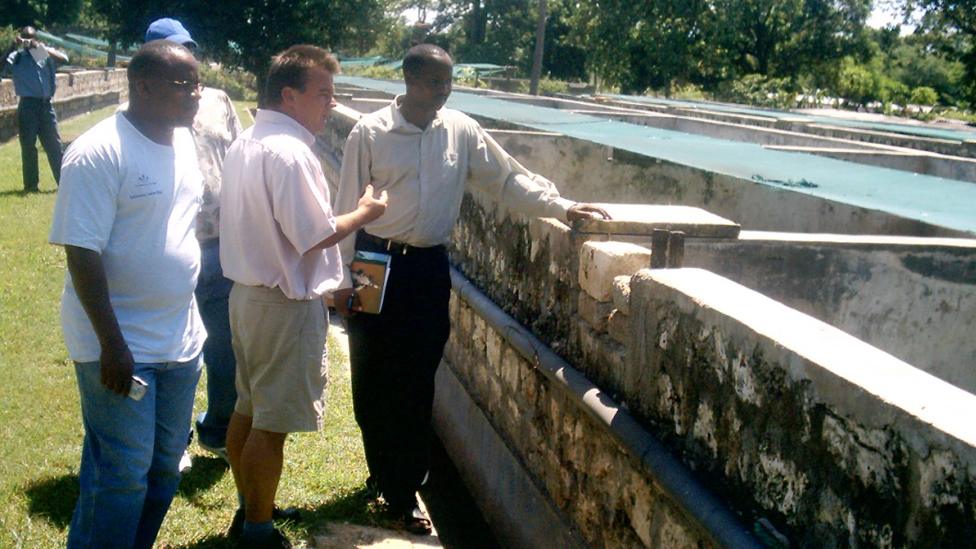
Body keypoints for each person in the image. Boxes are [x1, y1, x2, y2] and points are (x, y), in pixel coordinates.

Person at [332, 43, 609, 535]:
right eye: (434, 81)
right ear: (410, 79)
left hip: (427, 268)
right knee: (372, 374)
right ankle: (383, 472)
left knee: (418, 377)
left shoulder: (459, 130)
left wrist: (562, 207)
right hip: (374, 261)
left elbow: (506, 180)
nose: (443, 91)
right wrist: (340, 280)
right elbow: (346, 206)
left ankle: (405, 488)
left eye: (448, 81)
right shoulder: (370, 132)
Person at [219, 44, 388, 548]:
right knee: (270, 425)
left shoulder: (248, 141)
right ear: (290, 96)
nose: (330, 105)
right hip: (282, 305)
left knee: (247, 411)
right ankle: (258, 530)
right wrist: (366, 211)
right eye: (323, 94)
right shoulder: (290, 152)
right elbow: (312, 234)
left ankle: (253, 506)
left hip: (248, 297)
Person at [49, 40, 206, 548]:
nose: (195, 94)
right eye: (184, 85)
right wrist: (111, 344)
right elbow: (82, 253)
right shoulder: (98, 152)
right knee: (121, 474)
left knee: (164, 471)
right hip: (119, 346)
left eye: (197, 84)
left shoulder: (183, 140)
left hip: (180, 341)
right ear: (142, 86)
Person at [143, 17, 243, 471]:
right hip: (172, 244)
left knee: (224, 345)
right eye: (171, 52)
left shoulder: (218, 101)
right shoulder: (145, 111)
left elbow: (239, 157)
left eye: (187, 50)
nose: (184, 62)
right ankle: (174, 439)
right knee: (175, 349)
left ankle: (218, 429)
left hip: (222, 243)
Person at [3, 26, 68, 192]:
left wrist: (39, 47)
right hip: (28, 105)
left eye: (31, 38)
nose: (28, 41)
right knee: (28, 146)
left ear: (36, 38)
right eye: (25, 37)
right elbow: (1, 66)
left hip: (46, 106)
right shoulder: (17, 56)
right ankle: (31, 186)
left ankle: (65, 183)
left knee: (54, 145)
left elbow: (64, 59)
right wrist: (13, 45)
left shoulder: (41, 54)